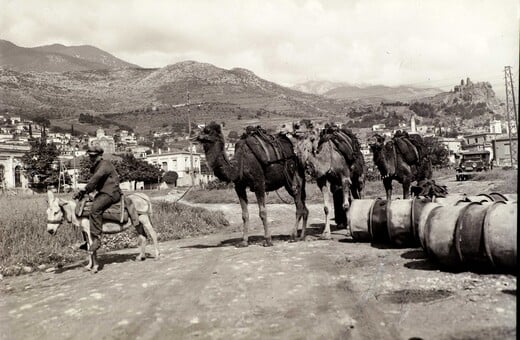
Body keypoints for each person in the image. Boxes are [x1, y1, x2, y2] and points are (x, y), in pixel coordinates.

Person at [74, 146, 141, 253]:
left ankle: (96, 239)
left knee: (95, 209)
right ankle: (86, 240)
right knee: (83, 208)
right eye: (90, 156)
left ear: (100, 156)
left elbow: (95, 179)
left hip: (111, 193)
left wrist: (84, 190)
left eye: (94, 156)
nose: (91, 158)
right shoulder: (96, 166)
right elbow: (95, 181)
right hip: (103, 193)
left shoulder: (105, 165)